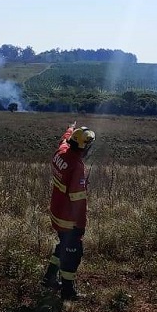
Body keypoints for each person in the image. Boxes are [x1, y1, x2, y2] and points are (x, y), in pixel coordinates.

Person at [42, 121, 95, 301]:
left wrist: (71, 129)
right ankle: (68, 291)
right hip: (69, 218)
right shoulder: (77, 166)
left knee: (62, 245)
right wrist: (80, 225)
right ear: (83, 146)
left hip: (56, 211)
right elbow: (78, 200)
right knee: (73, 252)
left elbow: (63, 140)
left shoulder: (61, 152)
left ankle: (49, 278)